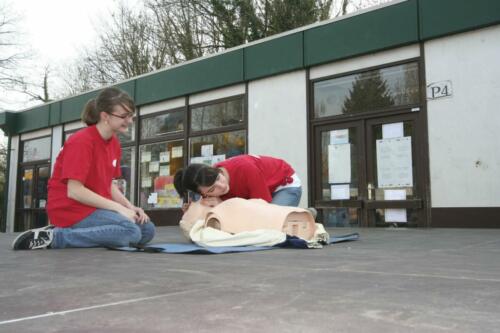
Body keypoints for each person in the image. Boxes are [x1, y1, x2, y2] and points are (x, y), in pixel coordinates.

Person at [12, 87, 155, 250]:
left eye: (130, 116)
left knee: (147, 230)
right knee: (131, 231)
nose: (129, 121)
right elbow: (74, 191)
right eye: (124, 116)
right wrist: (119, 209)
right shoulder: (81, 141)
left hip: (96, 208)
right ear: (105, 116)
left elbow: (109, 185)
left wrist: (130, 207)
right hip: (69, 209)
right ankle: (56, 237)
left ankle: (81, 233)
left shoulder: (114, 143)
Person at [174, 154, 303, 208]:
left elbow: (261, 209)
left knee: (269, 223)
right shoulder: (203, 185)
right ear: (205, 194)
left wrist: (223, 205)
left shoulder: (246, 168)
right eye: (213, 189)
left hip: (284, 184)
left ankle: (301, 215)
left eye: (218, 178)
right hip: (260, 193)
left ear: (217, 170)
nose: (222, 186)